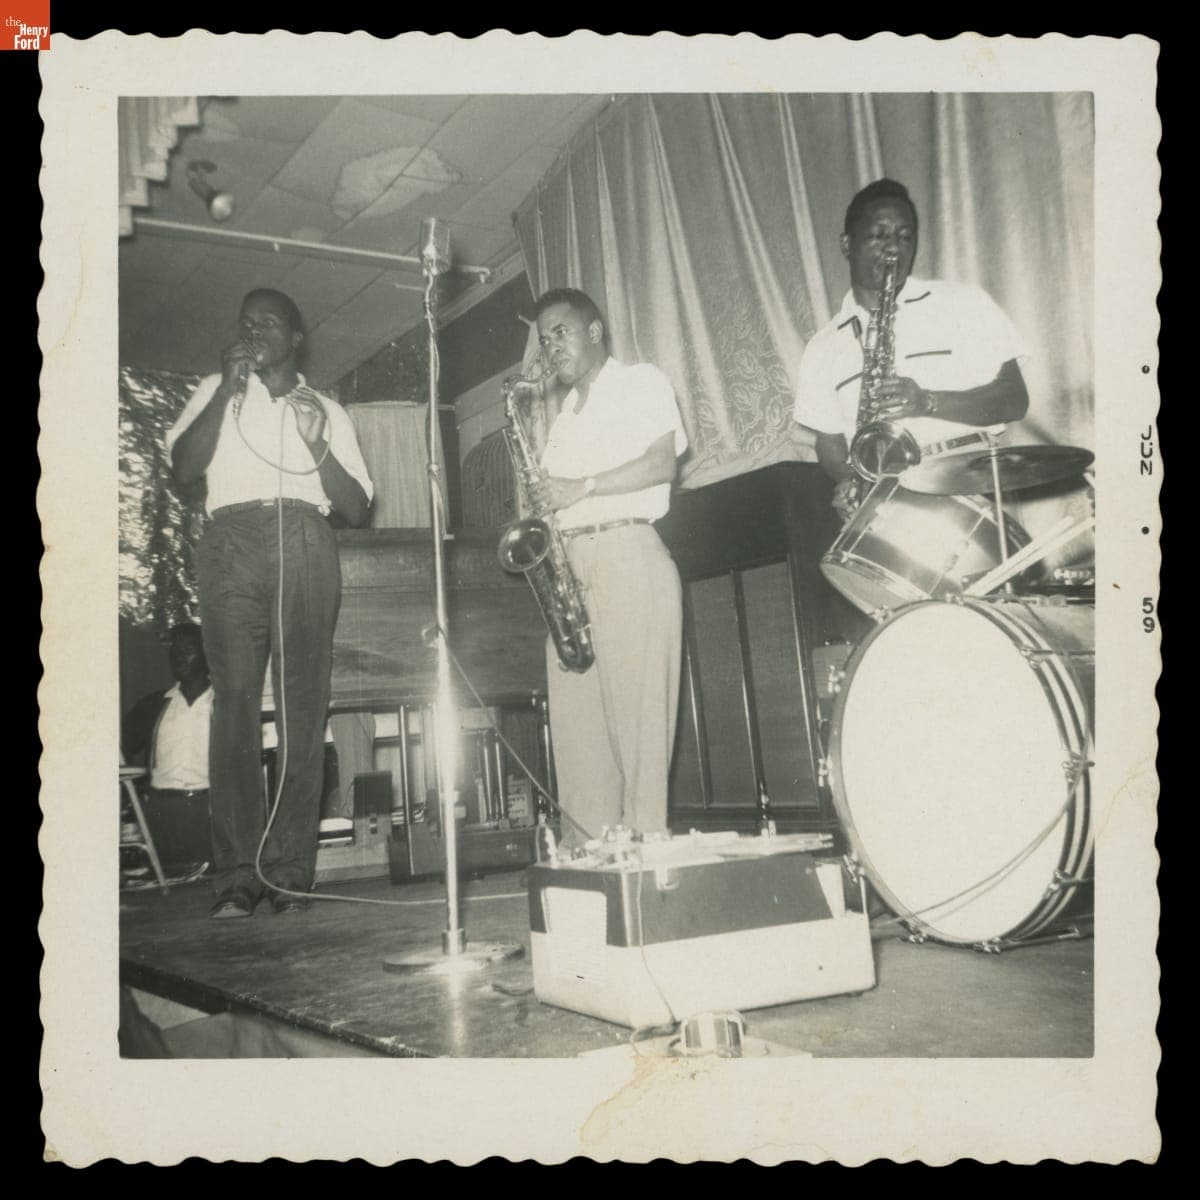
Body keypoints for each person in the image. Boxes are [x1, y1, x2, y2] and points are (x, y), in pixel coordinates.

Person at [167, 288, 373, 918]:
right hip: (230, 539)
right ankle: (235, 874)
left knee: (301, 708)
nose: (252, 330)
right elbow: (182, 469)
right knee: (232, 705)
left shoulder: (328, 408)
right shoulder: (212, 389)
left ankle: (287, 871)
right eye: (245, 320)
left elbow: (359, 508)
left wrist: (317, 445)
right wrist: (227, 389)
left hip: (305, 536)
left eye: (267, 323)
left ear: (296, 337)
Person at [531, 288, 688, 847]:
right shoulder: (563, 416)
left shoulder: (641, 382)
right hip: (571, 571)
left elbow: (660, 462)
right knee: (578, 735)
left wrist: (582, 487)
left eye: (561, 332)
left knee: (639, 728)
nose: (551, 347)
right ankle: (589, 856)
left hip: (627, 553)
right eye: (544, 338)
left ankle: (646, 855)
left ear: (594, 331)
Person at [793, 178, 1029, 519]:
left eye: (905, 237)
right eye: (878, 236)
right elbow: (829, 441)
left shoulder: (963, 303)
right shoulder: (821, 347)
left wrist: (927, 402)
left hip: (969, 487)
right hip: (887, 506)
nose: (893, 249)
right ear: (847, 244)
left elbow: (1014, 399)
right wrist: (848, 480)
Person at [121, 623, 214, 874]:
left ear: (208, 654)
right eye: (174, 651)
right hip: (160, 816)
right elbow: (117, 748)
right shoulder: (154, 705)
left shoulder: (223, 705)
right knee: (166, 891)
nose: (179, 656)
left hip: (209, 815)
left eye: (188, 649)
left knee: (207, 888)